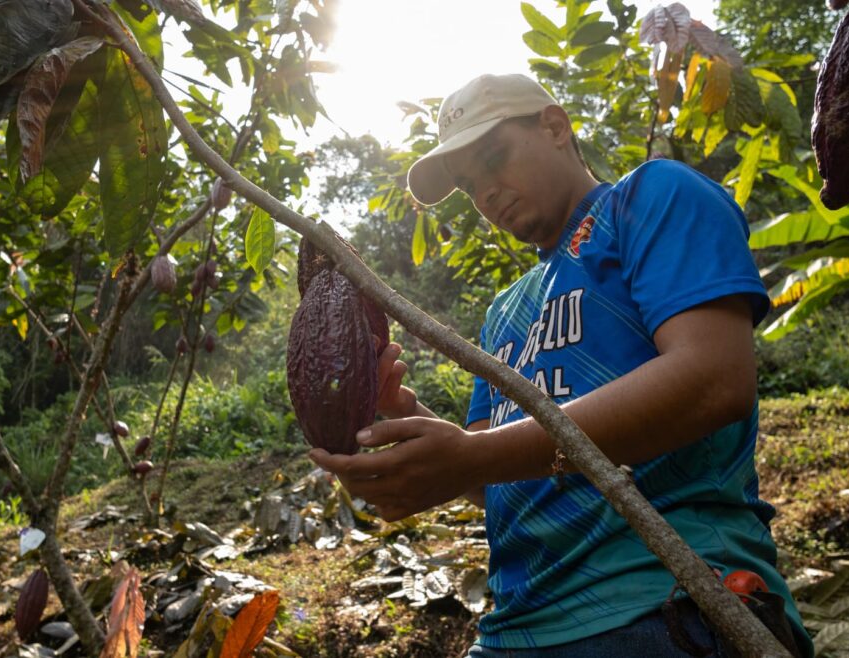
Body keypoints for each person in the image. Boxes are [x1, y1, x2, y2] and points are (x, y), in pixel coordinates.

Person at [308, 73, 813, 657]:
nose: (487, 194)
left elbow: (712, 380)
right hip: (516, 628)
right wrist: (408, 419)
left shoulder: (650, 198)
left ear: (554, 127)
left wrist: (474, 455)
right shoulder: (506, 312)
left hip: (669, 600)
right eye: (471, 187)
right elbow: (493, 474)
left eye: (493, 158)